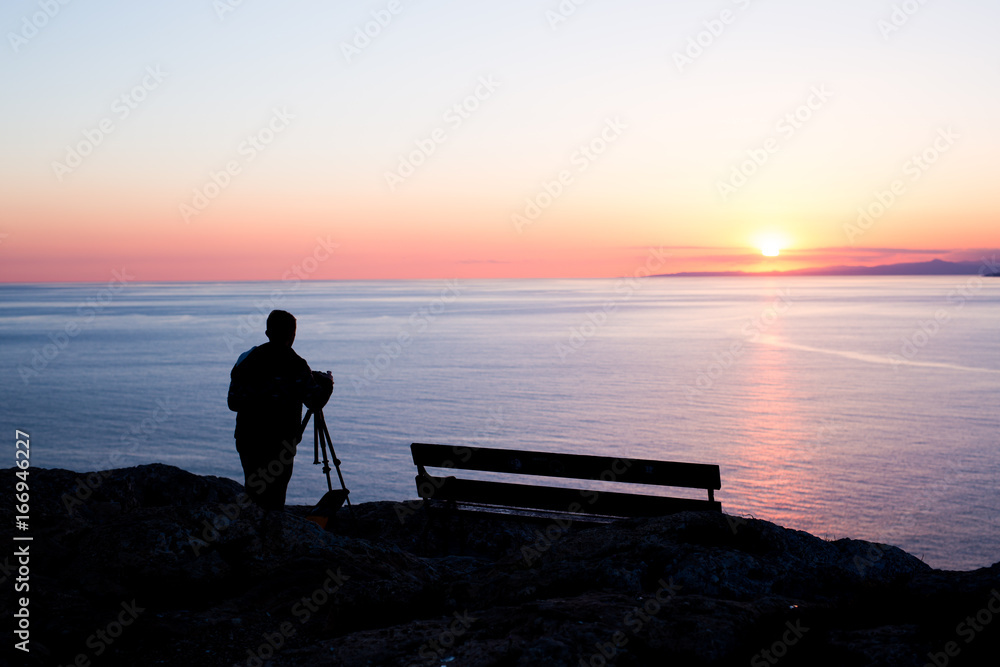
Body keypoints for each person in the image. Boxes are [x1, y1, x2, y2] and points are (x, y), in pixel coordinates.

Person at [227, 310, 333, 511]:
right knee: (275, 498)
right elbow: (315, 402)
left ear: (267, 333)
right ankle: (273, 538)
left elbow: (233, 402)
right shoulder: (295, 364)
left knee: (254, 493)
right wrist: (327, 384)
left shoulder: (246, 358)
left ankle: (251, 537)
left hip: (248, 438)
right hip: (280, 444)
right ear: (293, 334)